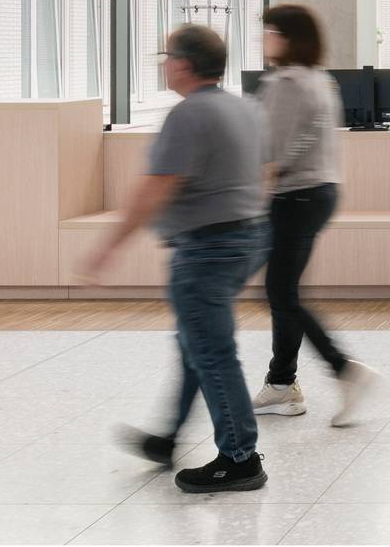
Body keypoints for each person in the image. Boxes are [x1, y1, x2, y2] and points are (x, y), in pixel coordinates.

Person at [77, 24, 269, 494]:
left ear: (183, 64)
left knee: (211, 351)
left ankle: (240, 458)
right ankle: (169, 439)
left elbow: (156, 188)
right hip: (245, 238)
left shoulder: (189, 115)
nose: (163, 64)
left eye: (166, 57)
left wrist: (107, 246)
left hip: (207, 249)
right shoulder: (241, 108)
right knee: (195, 346)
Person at [250, 4, 379, 425]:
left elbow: (273, 152)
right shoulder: (322, 80)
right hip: (319, 191)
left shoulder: (286, 83)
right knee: (281, 292)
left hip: (294, 196)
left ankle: (344, 370)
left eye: (269, 31)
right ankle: (282, 384)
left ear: (287, 37)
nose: (263, 38)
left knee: (281, 294)